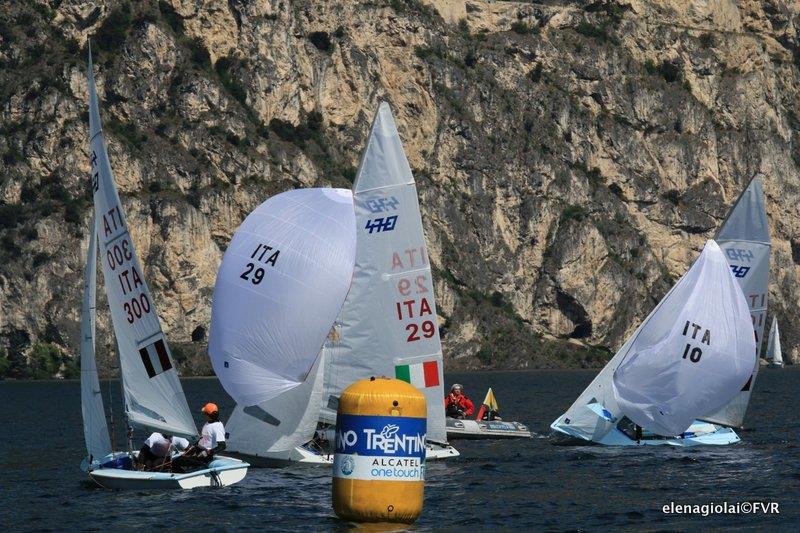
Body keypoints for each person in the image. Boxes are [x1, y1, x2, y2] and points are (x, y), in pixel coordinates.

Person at [172, 402, 227, 473]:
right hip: (198, 451)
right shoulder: (208, 423)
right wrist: (194, 446)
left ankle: (184, 476)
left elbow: (222, 446)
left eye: (204, 413)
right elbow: (204, 438)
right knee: (177, 460)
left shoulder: (217, 427)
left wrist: (206, 453)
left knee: (175, 462)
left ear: (208, 415)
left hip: (204, 457)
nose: (203, 415)